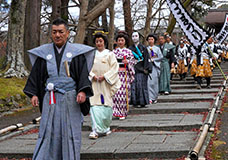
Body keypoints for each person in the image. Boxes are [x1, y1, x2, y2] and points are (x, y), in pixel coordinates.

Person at [23, 18, 95, 160]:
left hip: (70, 98)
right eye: (54, 32)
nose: (57, 35)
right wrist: (34, 94)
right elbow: (36, 75)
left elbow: (82, 74)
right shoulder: (44, 53)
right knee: (48, 130)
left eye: (61, 32)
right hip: (50, 98)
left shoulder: (76, 53)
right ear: (51, 33)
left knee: (70, 131)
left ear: (67, 33)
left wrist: (82, 91)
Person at [89, 31, 121, 139]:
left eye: (101, 41)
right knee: (94, 105)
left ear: (104, 42)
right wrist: (92, 75)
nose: (99, 43)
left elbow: (114, 68)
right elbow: (87, 68)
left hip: (106, 83)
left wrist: (105, 76)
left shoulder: (110, 54)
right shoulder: (91, 54)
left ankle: (106, 127)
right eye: (97, 41)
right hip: (95, 83)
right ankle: (95, 129)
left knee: (106, 105)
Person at [112, 31, 135, 120]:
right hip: (116, 74)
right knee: (116, 93)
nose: (120, 42)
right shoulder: (113, 52)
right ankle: (116, 111)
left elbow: (133, 62)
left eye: (122, 40)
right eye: (119, 40)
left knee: (124, 94)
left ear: (125, 41)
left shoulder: (128, 52)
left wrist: (128, 62)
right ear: (116, 42)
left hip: (125, 74)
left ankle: (123, 112)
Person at [129, 32, 151, 108]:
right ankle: (135, 102)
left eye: (136, 36)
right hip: (133, 70)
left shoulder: (143, 48)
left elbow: (147, 59)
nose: (134, 37)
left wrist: (146, 69)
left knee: (142, 86)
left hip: (142, 70)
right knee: (134, 87)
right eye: (133, 36)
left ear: (139, 37)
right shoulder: (130, 49)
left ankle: (143, 102)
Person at [146, 33, 163, 104]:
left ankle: (155, 97)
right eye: (149, 39)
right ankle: (150, 98)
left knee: (155, 83)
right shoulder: (146, 49)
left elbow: (161, 57)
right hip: (148, 67)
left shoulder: (157, 49)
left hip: (155, 67)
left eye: (152, 39)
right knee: (148, 83)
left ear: (154, 40)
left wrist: (154, 60)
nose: (150, 41)